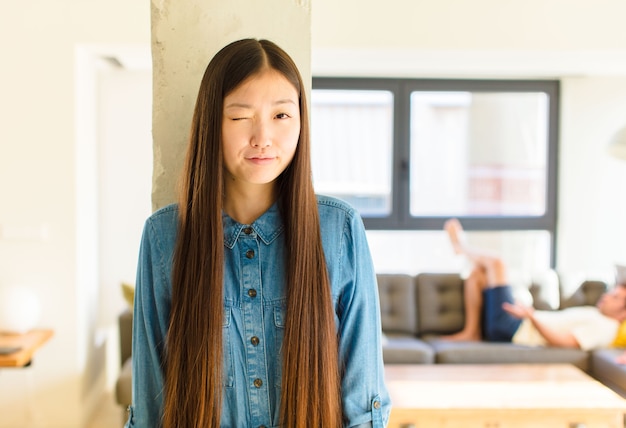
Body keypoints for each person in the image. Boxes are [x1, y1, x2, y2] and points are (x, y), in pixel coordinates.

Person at [125, 39, 390, 428]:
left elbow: (364, 409)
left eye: (281, 115)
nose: (262, 137)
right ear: (211, 124)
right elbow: (150, 409)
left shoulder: (340, 230)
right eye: (240, 117)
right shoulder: (164, 236)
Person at [441, 218, 626, 350]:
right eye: (611, 293)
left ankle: (460, 248)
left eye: (615, 297)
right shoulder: (597, 315)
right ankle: (471, 332)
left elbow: (564, 342)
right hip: (517, 324)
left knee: (498, 263)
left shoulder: (606, 327)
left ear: (623, 312)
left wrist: (531, 316)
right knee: (477, 275)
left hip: (514, 329)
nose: (606, 296)